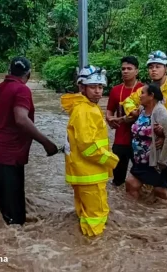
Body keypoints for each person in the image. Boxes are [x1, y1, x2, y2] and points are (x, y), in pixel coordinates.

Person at [0, 56, 58, 226]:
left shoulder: (1, 87)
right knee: (15, 218)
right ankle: (14, 249)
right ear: (29, 75)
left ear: (9, 71)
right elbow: (21, 119)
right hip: (7, 155)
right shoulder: (22, 90)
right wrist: (47, 143)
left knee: (9, 208)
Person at [61, 65, 119, 237]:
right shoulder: (85, 110)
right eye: (93, 87)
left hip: (83, 173)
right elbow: (88, 147)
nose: (98, 91)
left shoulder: (84, 107)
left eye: (100, 87)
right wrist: (111, 160)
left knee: (85, 215)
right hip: (90, 175)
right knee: (96, 217)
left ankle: (85, 246)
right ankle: (95, 250)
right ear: (82, 87)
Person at [120, 50, 167, 189]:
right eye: (151, 67)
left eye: (157, 66)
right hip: (144, 149)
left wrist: (164, 135)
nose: (153, 70)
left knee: (165, 186)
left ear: (166, 68)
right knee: (140, 186)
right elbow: (128, 101)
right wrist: (133, 112)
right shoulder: (145, 89)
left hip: (164, 146)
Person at [125, 83, 167, 200]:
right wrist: (118, 120)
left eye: (142, 93)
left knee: (160, 192)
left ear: (151, 96)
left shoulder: (161, 113)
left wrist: (162, 162)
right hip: (140, 160)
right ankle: (137, 213)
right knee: (131, 184)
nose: (140, 96)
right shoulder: (142, 109)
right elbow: (131, 121)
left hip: (155, 162)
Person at [106, 56, 144, 186]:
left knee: (142, 177)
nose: (125, 71)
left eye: (129, 68)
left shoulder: (144, 90)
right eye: (123, 69)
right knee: (117, 180)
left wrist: (122, 118)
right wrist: (109, 119)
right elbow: (110, 110)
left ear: (137, 71)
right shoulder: (115, 90)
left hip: (140, 139)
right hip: (120, 138)